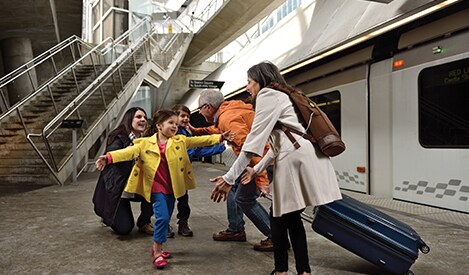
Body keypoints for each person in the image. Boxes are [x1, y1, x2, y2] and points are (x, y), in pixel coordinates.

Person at [210, 61, 342, 275]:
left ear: (261, 81)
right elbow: (277, 143)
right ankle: (301, 271)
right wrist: (256, 169)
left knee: (279, 217)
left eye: (249, 82)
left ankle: (283, 270)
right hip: (300, 156)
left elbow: (252, 144)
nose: (247, 88)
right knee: (288, 217)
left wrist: (228, 178)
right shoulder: (283, 95)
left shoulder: (267, 95)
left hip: (294, 160)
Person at [95, 109, 233, 269]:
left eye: (176, 123)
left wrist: (221, 137)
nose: (175, 126)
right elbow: (128, 152)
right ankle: (157, 251)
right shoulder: (145, 143)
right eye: (171, 123)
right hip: (156, 188)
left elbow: (200, 140)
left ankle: (157, 247)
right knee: (162, 218)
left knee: (166, 218)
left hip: (172, 189)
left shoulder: (180, 140)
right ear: (159, 125)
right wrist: (108, 157)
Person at [193, 89, 273, 252]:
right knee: (234, 189)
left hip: (263, 161)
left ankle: (276, 237)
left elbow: (250, 150)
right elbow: (220, 130)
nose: (199, 113)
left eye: (199, 109)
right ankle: (235, 229)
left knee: (244, 199)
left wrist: (261, 179)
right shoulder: (230, 111)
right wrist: (196, 131)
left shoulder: (228, 118)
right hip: (256, 161)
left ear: (208, 107)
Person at [92, 107, 153, 235]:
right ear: (129, 119)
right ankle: (106, 213)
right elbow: (113, 153)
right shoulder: (118, 137)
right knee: (124, 228)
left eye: (144, 117)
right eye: (138, 117)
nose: (143, 120)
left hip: (138, 183)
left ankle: (144, 222)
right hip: (120, 187)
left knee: (158, 191)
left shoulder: (147, 139)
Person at [168, 104, 226, 237]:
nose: (186, 119)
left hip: (182, 173)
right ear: (174, 117)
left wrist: (218, 148)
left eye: (188, 116)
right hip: (168, 173)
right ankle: (164, 224)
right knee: (167, 200)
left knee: (183, 201)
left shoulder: (186, 132)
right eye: (182, 116)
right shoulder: (170, 132)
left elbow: (196, 150)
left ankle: (183, 223)